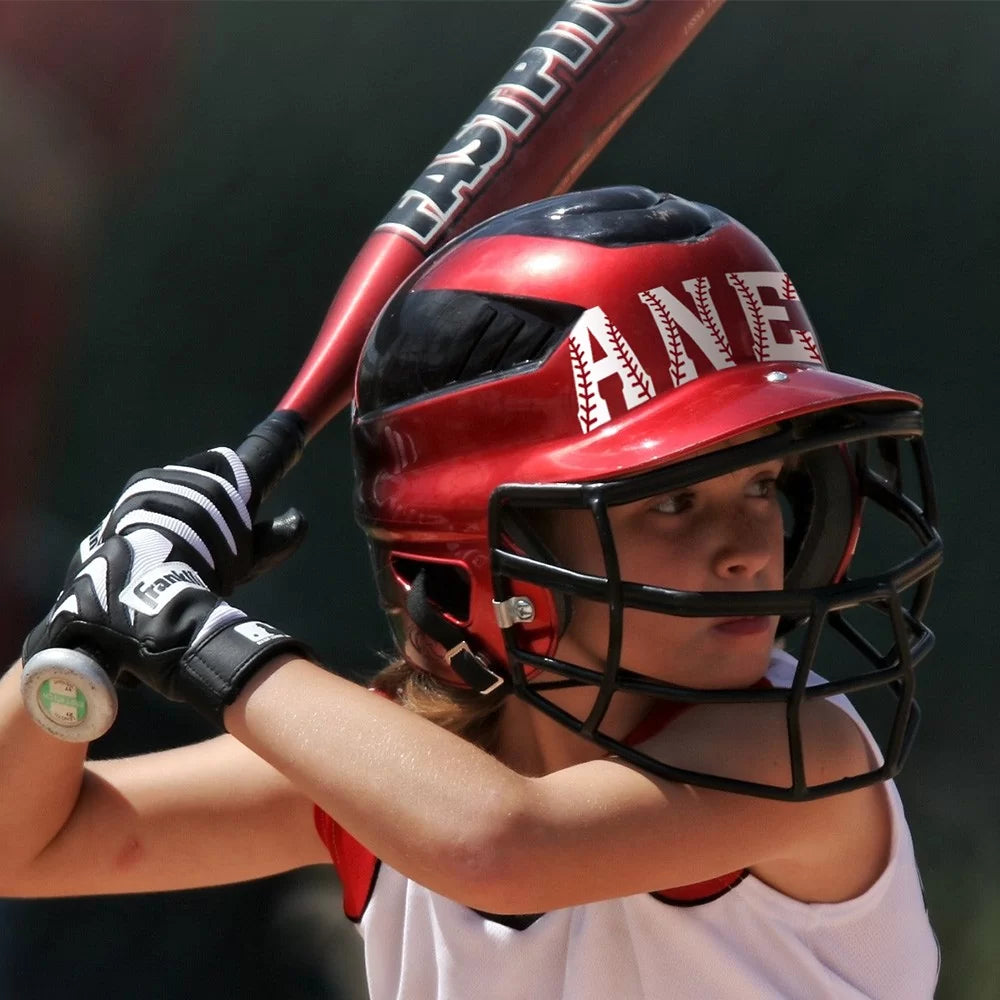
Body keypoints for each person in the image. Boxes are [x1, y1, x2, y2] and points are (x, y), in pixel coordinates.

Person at [1, 187, 943, 998]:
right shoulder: (402, 770)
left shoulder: (794, 748)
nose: (750, 549)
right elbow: (20, 843)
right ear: (484, 553)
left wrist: (190, 626)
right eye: (676, 502)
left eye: (764, 487)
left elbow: (501, 844)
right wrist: (85, 625)